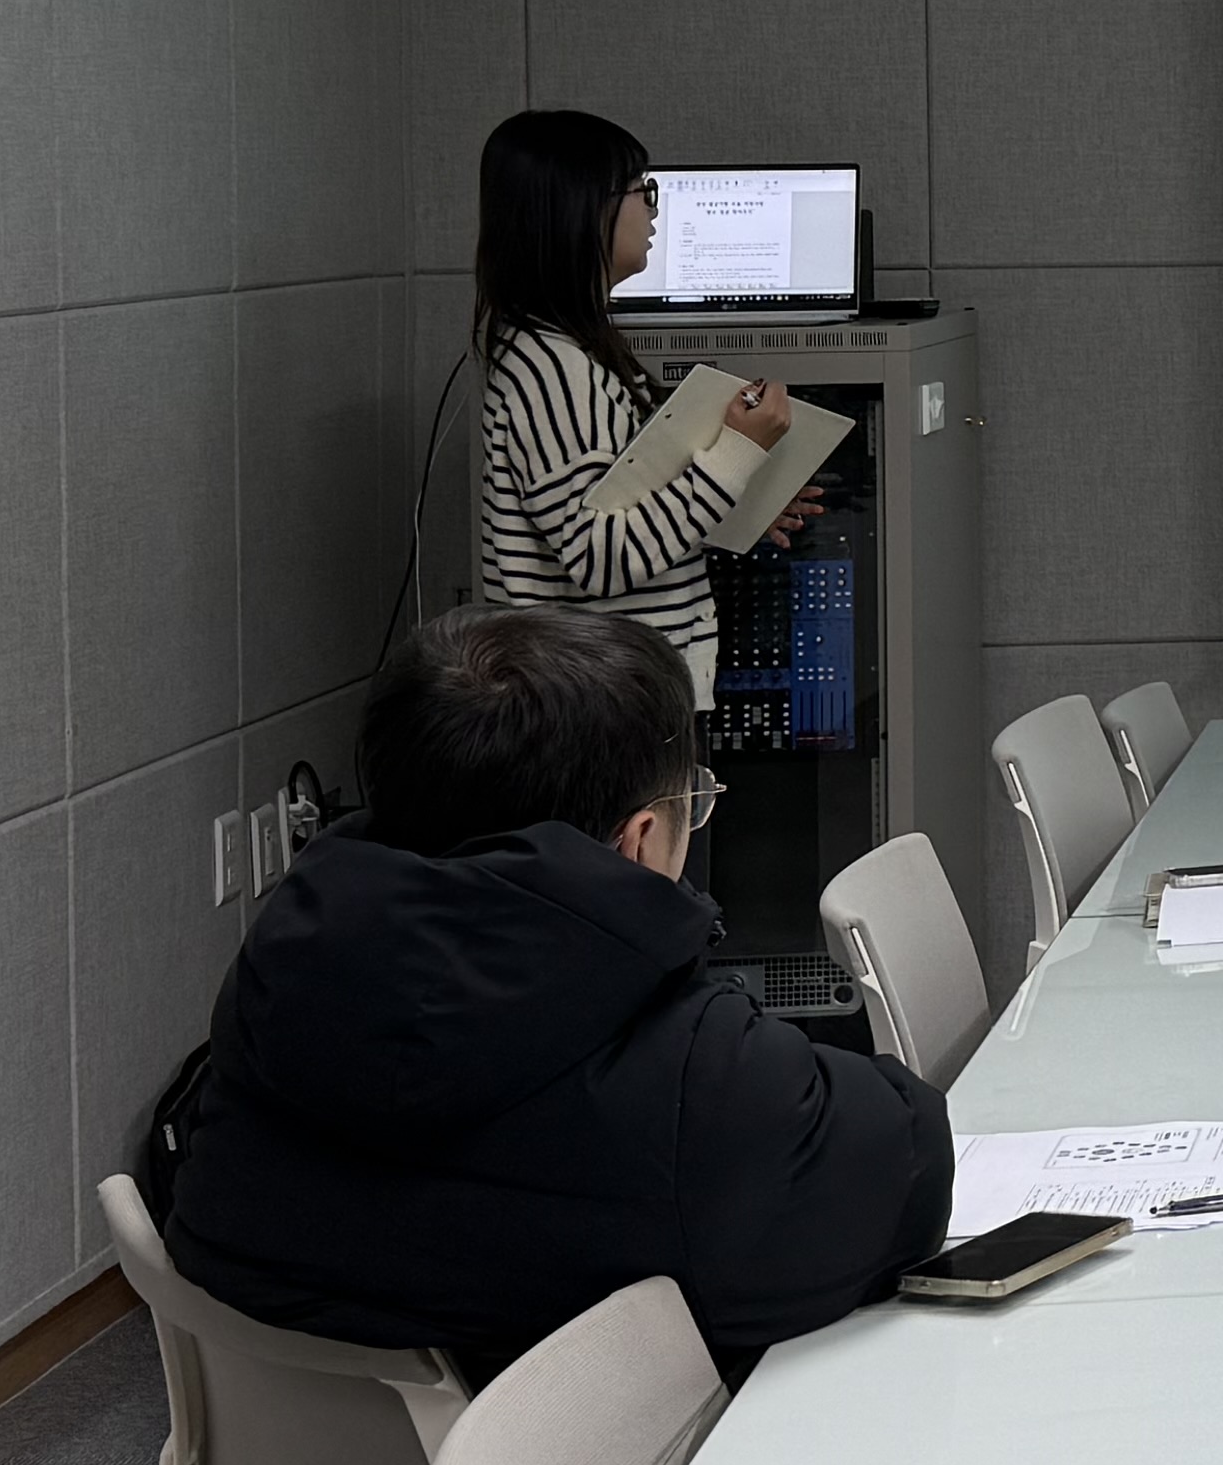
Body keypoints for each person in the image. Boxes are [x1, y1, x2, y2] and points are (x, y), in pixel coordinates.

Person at [148, 603, 953, 1380]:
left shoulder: (276, 978)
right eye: (693, 802)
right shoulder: (698, 1083)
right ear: (640, 841)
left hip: (307, 1464)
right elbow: (911, 1166)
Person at [469, 107, 795, 706]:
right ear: (582, 209)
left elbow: (622, 509)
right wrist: (734, 455)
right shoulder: (554, 369)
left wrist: (737, 507)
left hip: (614, 697)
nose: (654, 211)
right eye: (642, 192)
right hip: (597, 706)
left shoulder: (571, 352)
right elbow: (598, 558)